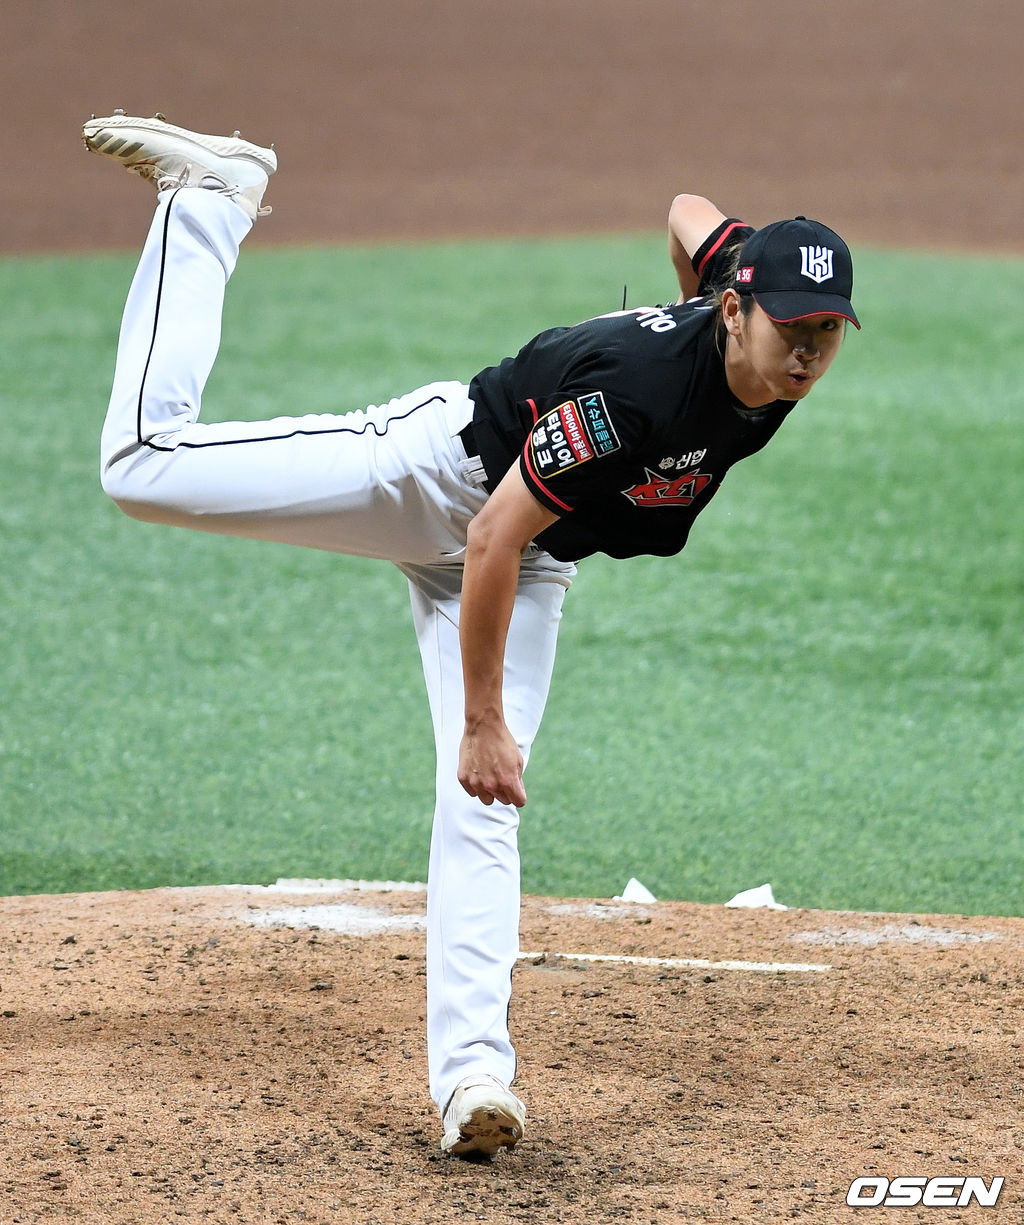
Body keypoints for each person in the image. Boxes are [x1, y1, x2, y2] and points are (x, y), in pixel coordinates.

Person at [82, 111, 860, 1160]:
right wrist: (481, 717)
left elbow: (689, 211)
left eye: (825, 332)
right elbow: (491, 529)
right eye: (791, 328)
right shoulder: (637, 398)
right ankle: (210, 204)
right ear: (734, 308)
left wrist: (685, 293)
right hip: (435, 479)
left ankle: (474, 1082)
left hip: (531, 554)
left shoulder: (755, 345)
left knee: (485, 805)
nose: (807, 352)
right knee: (142, 465)